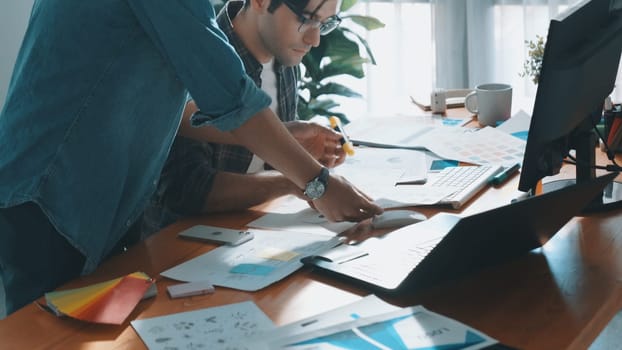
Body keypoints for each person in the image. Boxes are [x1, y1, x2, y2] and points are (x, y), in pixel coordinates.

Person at [0, 0, 382, 315]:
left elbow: (178, 110)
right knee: (48, 337)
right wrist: (315, 182)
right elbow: (230, 95)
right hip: (52, 195)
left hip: (92, 195)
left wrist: (288, 139)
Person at [139, 0, 348, 236]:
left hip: (256, 234)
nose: (315, 39)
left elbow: (268, 163)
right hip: (182, 249)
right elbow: (185, 190)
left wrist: (299, 155)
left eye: (325, 23)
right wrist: (301, 180)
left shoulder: (285, 55)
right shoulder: (199, 60)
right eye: (306, 18)